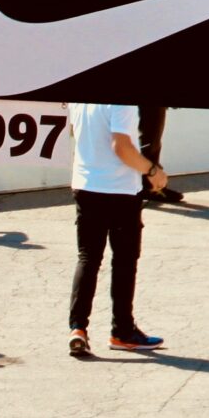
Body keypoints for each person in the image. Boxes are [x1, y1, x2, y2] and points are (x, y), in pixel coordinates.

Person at [60, 102, 165, 357]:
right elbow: (122, 147)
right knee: (125, 261)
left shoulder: (79, 99)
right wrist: (153, 171)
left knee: (88, 258)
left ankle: (78, 328)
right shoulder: (121, 102)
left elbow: (75, 132)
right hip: (119, 190)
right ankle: (122, 331)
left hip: (85, 185)